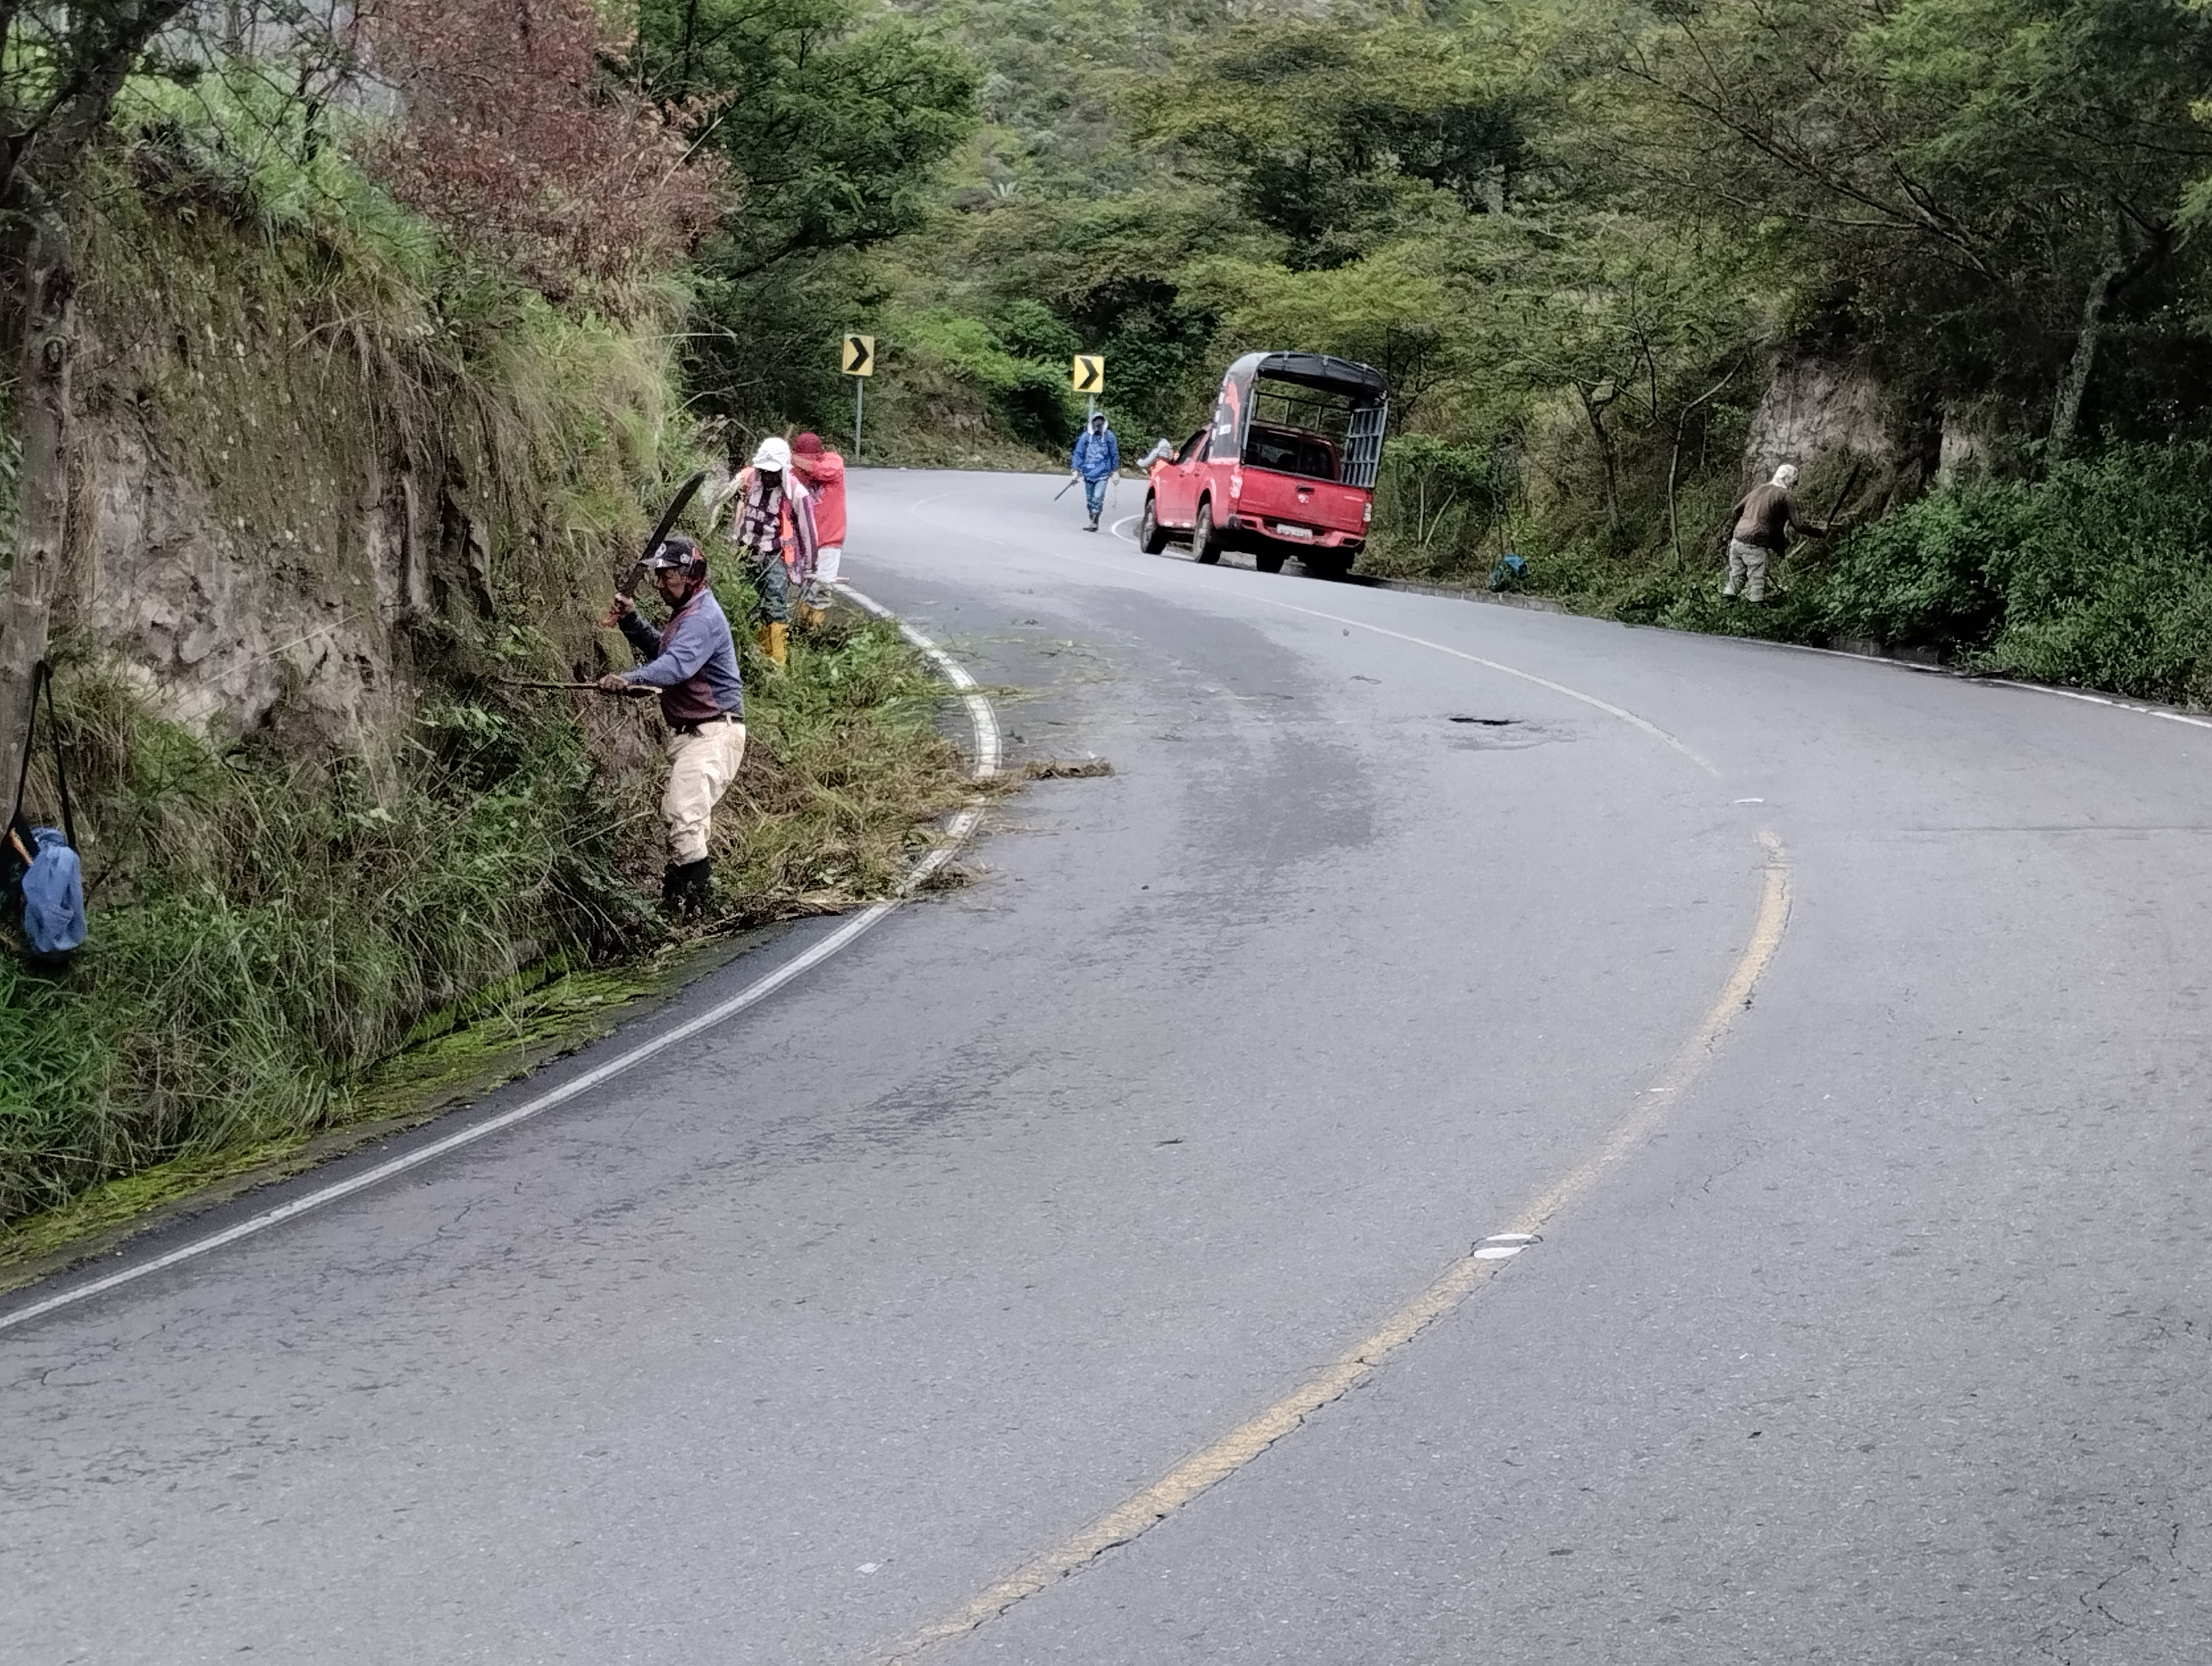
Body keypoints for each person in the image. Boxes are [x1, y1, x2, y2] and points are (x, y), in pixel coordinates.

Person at [598, 535, 745, 919]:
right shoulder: (688, 614)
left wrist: (629, 679)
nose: (661, 585)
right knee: (684, 818)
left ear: (691, 575)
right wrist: (631, 621)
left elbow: (676, 667)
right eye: (659, 577)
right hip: (698, 735)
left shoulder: (701, 618)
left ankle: (697, 908)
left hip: (714, 733)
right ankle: (685, 904)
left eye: (668, 577)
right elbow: (666, 653)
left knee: (684, 815)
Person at [713, 435, 818, 667]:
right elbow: (720, 498)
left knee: (775, 604)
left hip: (775, 556)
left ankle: (777, 661)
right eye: (765, 471)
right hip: (746, 552)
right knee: (747, 600)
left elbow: (808, 532)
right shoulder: (749, 479)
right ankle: (753, 654)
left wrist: (811, 568)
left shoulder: (796, 492)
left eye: (774, 472)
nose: (769, 476)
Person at [1721, 462, 1828, 603]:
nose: (1795, 486)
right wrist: (1820, 532)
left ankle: (1725, 606)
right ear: (1787, 479)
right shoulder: (1784, 496)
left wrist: (1737, 530)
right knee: (1757, 582)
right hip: (1757, 543)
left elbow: (1736, 511)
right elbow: (1799, 525)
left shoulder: (1759, 489)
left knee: (1736, 577)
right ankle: (1757, 609)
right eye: (1795, 482)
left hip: (1737, 540)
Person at [790, 431, 845, 631]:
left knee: (822, 586)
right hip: (805, 540)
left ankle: (815, 629)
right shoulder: (793, 473)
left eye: (810, 458)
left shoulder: (833, 463)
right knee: (806, 585)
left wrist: (795, 460)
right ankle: (803, 628)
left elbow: (818, 470)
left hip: (830, 539)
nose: (807, 462)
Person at [1070, 412, 1120, 531]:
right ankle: (1092, 519)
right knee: (1090, 500)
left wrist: (1115, 471)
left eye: (1100, 421)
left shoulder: (1109, 437)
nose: (1098, 424)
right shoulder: (1086, 437)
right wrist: (1075, 470)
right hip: (1088, 474)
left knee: (1097, 498)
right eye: (1096, 421)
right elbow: (1079, 453)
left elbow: (1114, 454)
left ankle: (1095, 523)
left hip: (1103, 474)